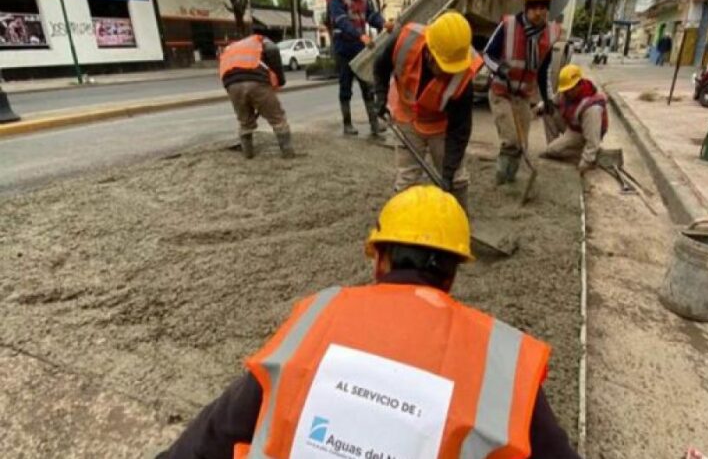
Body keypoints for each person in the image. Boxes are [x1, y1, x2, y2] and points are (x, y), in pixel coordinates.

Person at [155, 185, 582, 459]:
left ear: (379, 259)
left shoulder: (318, 315)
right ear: (452, 275)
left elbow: (220, 427)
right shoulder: (499, 359)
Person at [373, 12, 482, 213]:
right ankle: (402, 219)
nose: (449, 72)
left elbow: (460, 130)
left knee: (456, 178)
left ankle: (459, 218)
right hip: (407, 114)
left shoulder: (464, 76)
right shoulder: (405, 41)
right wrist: (380, 96)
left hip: (440, 124)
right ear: (430, 52)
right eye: (444, 66)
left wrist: (448, 173)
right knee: (407, 177)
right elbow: (380, 66)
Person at [484, 0, 557, 185]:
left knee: (522, 143)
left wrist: (548, 98)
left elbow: (544, 71)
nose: (539, 12)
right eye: (535, 7)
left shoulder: (548, 36)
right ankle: (501, 178)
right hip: (501, 92)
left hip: (523, 96)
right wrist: (499, 68)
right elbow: (487, 54)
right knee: (511, 140)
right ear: (526, 7)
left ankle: (510, 179)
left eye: (543, 7)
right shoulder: (508, 26)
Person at [219, 25, 292, 159]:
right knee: (277, 118)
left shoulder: (231, 47)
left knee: (245, 121)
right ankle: (288, 153)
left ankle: (248, 153)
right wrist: (281, 80)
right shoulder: (260, 39)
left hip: (231, 84)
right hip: (255, 80)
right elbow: (273, 49)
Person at [327, 0, 392, 136]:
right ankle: (347, 123)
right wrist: (360, 35)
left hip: (360, 48)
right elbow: (341, 21)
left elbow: (372, 15)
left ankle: (374, 123)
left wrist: (383, 23)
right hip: (343, 49)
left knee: (367, 86)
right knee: (345, 87)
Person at [540, 64, 607, 174]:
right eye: (565, 90)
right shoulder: (568, 92)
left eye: (568, 90)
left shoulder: (592, 108)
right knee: (548, 110)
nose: (565, 93)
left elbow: (592, 138)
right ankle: (555, 148)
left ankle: (592, 154)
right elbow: (553, 101)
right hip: (572, 125)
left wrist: (586, 161)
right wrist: (537, 108)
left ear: (579, 85)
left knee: (552, 150)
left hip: (582, 134)